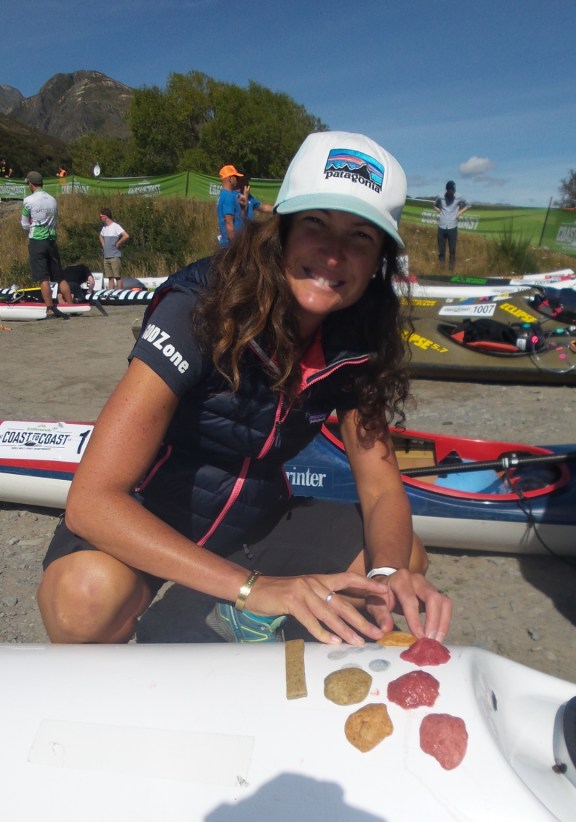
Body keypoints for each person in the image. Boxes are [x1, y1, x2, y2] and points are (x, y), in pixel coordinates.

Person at [37, 129, 452, 647]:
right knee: (85, 600)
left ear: (378, 263)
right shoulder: (197, 308)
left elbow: (382, 487)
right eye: (316, 224)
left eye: (361, 238)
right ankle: (236, 613)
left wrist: (388, 578)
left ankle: (264, 627)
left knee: (401, 560)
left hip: (255, 522)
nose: (332, 254)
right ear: (280, 229)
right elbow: (93, 502)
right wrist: (252, 588)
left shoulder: (358, 337)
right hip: (151, 515)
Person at [20, 171, 74, 319]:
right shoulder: (52, 199)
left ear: (31, 184)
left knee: (43, 278)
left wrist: (32, 223)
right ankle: (71, 305)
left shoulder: (28, 201)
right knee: (59, 276)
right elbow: (55, 220)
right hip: (51, 241)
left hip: (37, 241)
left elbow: (24, 224)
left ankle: (50, 308)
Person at [434, 180, 470, 270]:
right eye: (449, 191)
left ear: (454, 190)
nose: (451, 193)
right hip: (442, 226)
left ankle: (451, 269)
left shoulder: (459, 196)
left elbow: (468, 205)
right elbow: (434, 205)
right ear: (447, 190)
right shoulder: (440, 196)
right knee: (441, 250)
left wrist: (459, 213)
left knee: (452, 250)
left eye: (452, 191)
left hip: (452, 227)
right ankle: (441, 268)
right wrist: (440, 211)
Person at [98, 208, 130, 288]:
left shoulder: (116, 226)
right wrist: (103, 245)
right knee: (110, 277)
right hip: (106, 256)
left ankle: (119, 293)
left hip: (115, 256)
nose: (100, 218)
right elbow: (100, 236)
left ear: (105, 216)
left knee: (117, 276)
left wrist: (119, 242)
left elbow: (126, 235)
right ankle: (110, 292)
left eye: (101, 216)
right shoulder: (104, 227)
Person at [216, 164, 242, 247]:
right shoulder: (228, 196)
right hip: (230, 245)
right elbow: (229, 222)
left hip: (226, 242)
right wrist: (236, 246)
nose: (238, 180)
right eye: (236, 177)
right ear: (230, 178)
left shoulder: (223, 195)